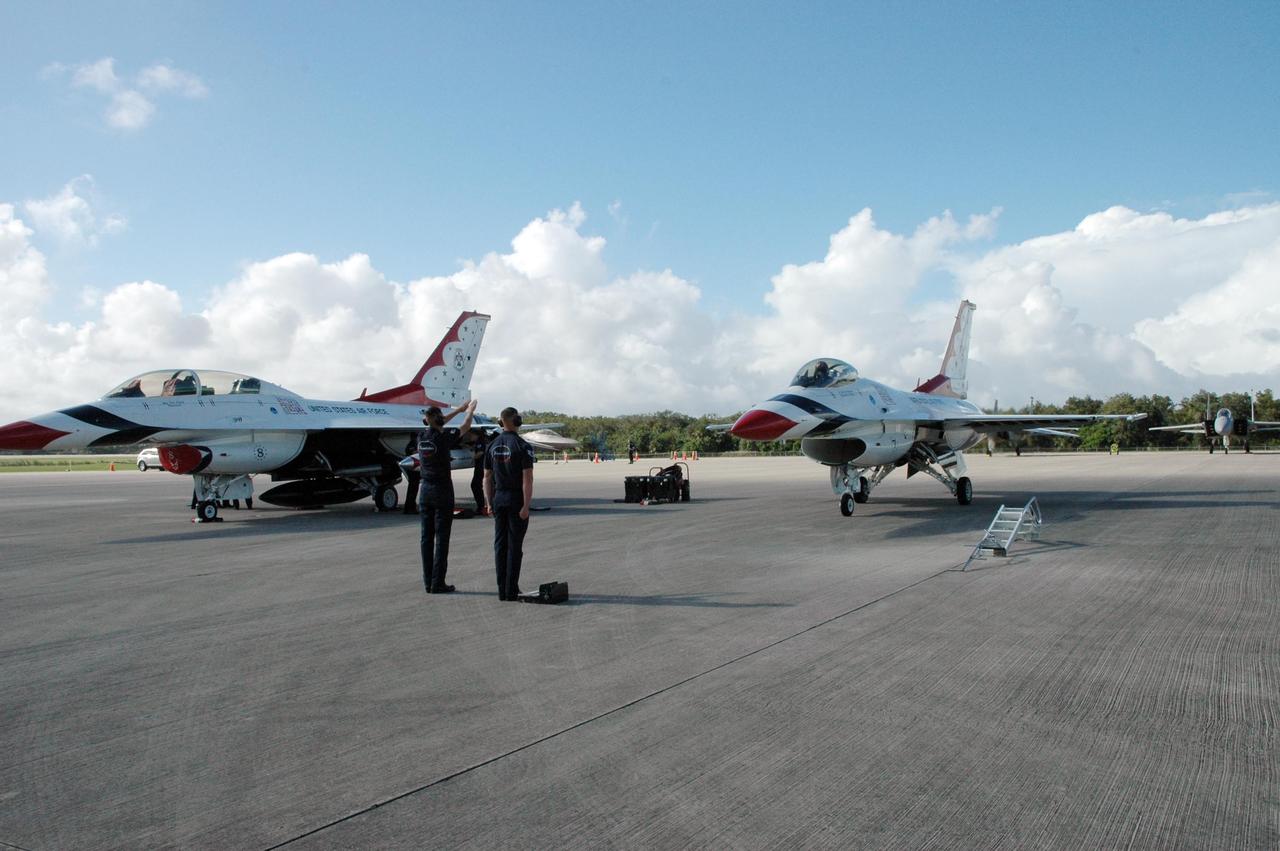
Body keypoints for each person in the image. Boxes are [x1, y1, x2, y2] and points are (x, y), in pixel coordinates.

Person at [418, 399, 476, 594]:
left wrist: (458, 409)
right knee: (442, 538)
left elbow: (439, 422)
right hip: (441, 489)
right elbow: (466, 426)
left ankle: (428, 582)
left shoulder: (421, 437)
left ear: (426, 420)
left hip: (424, 489)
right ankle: (438, 582)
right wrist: (468, 411)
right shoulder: (443, 438)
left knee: (426, 538)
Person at [483, 407, 535, 601]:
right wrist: (526, 506)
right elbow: (527, 479)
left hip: (499, 499)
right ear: (517, 420)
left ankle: (502, 590)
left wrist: (489, 502)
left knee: (500, 545)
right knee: (514, 546)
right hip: (515, 500)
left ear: (501, 422)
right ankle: (511, 589)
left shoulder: (492, 445)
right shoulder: (522, 446)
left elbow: (487, 478)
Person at [469, 429, 489, 515]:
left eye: (471, 435)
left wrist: (472, 456)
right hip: (482, 467)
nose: (470, 437)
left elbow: (480, 453)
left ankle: (481, 506)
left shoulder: (480, 442)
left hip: (480, 468)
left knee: (475, 485)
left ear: (476, 435)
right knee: (477, 486)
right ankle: (482, 505)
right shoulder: (481, 441)